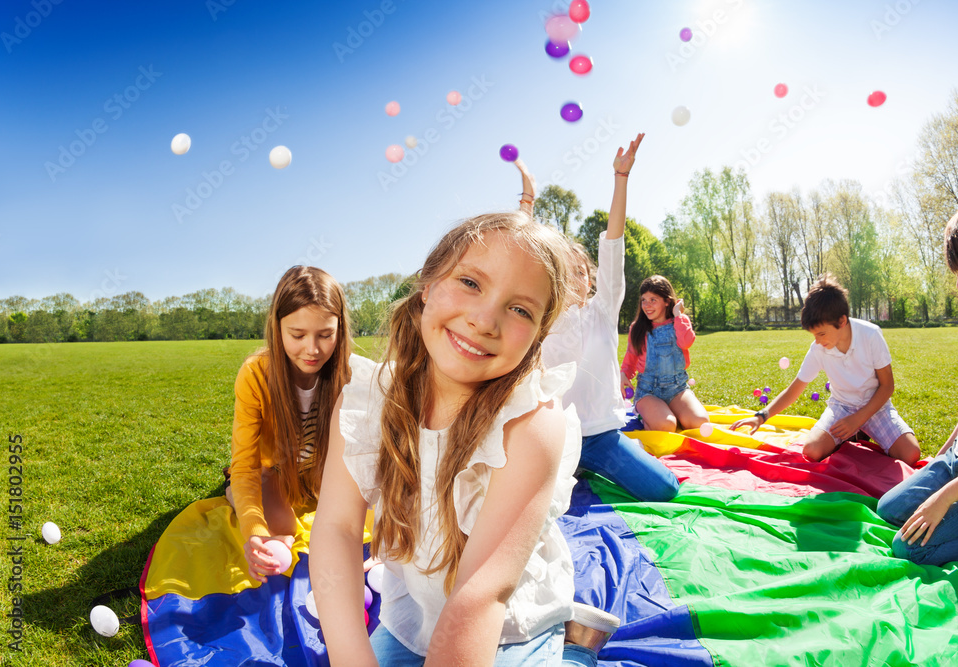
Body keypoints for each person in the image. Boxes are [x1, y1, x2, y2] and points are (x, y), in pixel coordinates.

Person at [309, 212, 613, 665]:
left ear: (537, 337)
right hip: (414, 618)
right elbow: (337, 528)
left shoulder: (532, 424)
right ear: (427, 285)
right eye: (470, 283)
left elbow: (481, 593)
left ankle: (575, 648)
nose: (485, 320)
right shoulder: (366, 400)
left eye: (520, 309)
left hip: (507, 625)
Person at [534, 134, 678, 503]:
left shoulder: (602, 309)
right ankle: (570, 467)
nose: (577, 279)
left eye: (583, 272)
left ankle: (588, 465)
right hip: (554, 437)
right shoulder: (540, 320)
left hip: (601, 434)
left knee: (665, 489)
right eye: (567, 273)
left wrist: (621, 179)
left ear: (592, 279)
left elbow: (613, 245)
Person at [876, 198, 958, 565]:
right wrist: (944, 455)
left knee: (907, 547)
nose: (957, 288)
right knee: (888, 508)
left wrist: (943, 499)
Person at [227, 266, 352, 583]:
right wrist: (253, 530)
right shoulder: (256, 374)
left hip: (321, 471)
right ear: (277, 328)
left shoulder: (349, 374)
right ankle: (232, 495)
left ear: (340, 328)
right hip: (275, 472)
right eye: (297, 335)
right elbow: (245, 464)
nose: (312, 350)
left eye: (325, 335)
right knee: (281, 536)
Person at [729, 274, 920, 465]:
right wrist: (761, 417)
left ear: (842, 321)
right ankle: (850, 435)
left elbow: (887, 386)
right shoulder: (819, 348)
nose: (817, 341)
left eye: (821, 333)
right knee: (812, 450)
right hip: (842, 407)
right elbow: (794, 389)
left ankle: (858, 431)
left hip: (875, 407)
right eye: (814, 335)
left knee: (910, 454)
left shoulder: (871, 335)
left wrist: (858, 419)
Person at [620, 276, 708, 432]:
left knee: (700, 422)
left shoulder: (680, 321)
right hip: (648, 391)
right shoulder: (637, 328)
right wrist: (623, 374)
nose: (647, 305)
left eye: (653, 300)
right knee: (666, 426)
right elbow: (630, 358)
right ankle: (649, 415)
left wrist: (678, 315)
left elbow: (687, 342)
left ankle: (671, 411)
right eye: (644, 300)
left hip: (677, 389)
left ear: (667, 301)